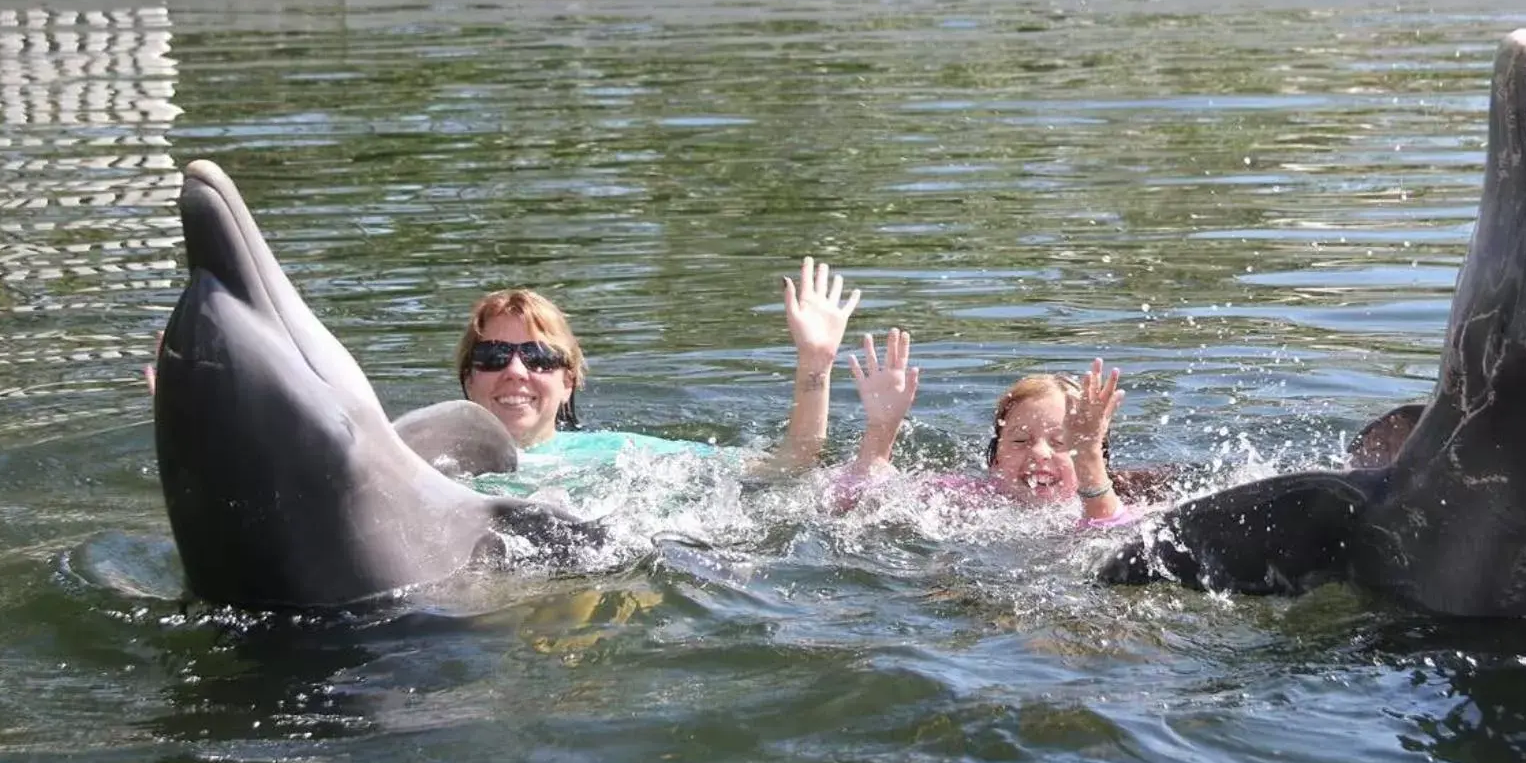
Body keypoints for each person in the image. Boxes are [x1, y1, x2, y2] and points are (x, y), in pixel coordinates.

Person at [459, 257, 863, 469]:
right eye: (493, 356)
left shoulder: (618, 455)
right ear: (469, 380)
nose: (515, 371)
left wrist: (815, 364)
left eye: (538, 358)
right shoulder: (421, 463)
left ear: (569, 382)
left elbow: (787, 466)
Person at [830, 327, 1150, 527]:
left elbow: (1109, 533)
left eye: (1062, 442)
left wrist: (1090, 455)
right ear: (995, 458)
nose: (1039, 452)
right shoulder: (964, 499)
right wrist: (882, 427)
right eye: (1020, 440)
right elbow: (853, 502)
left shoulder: (1126, 514)